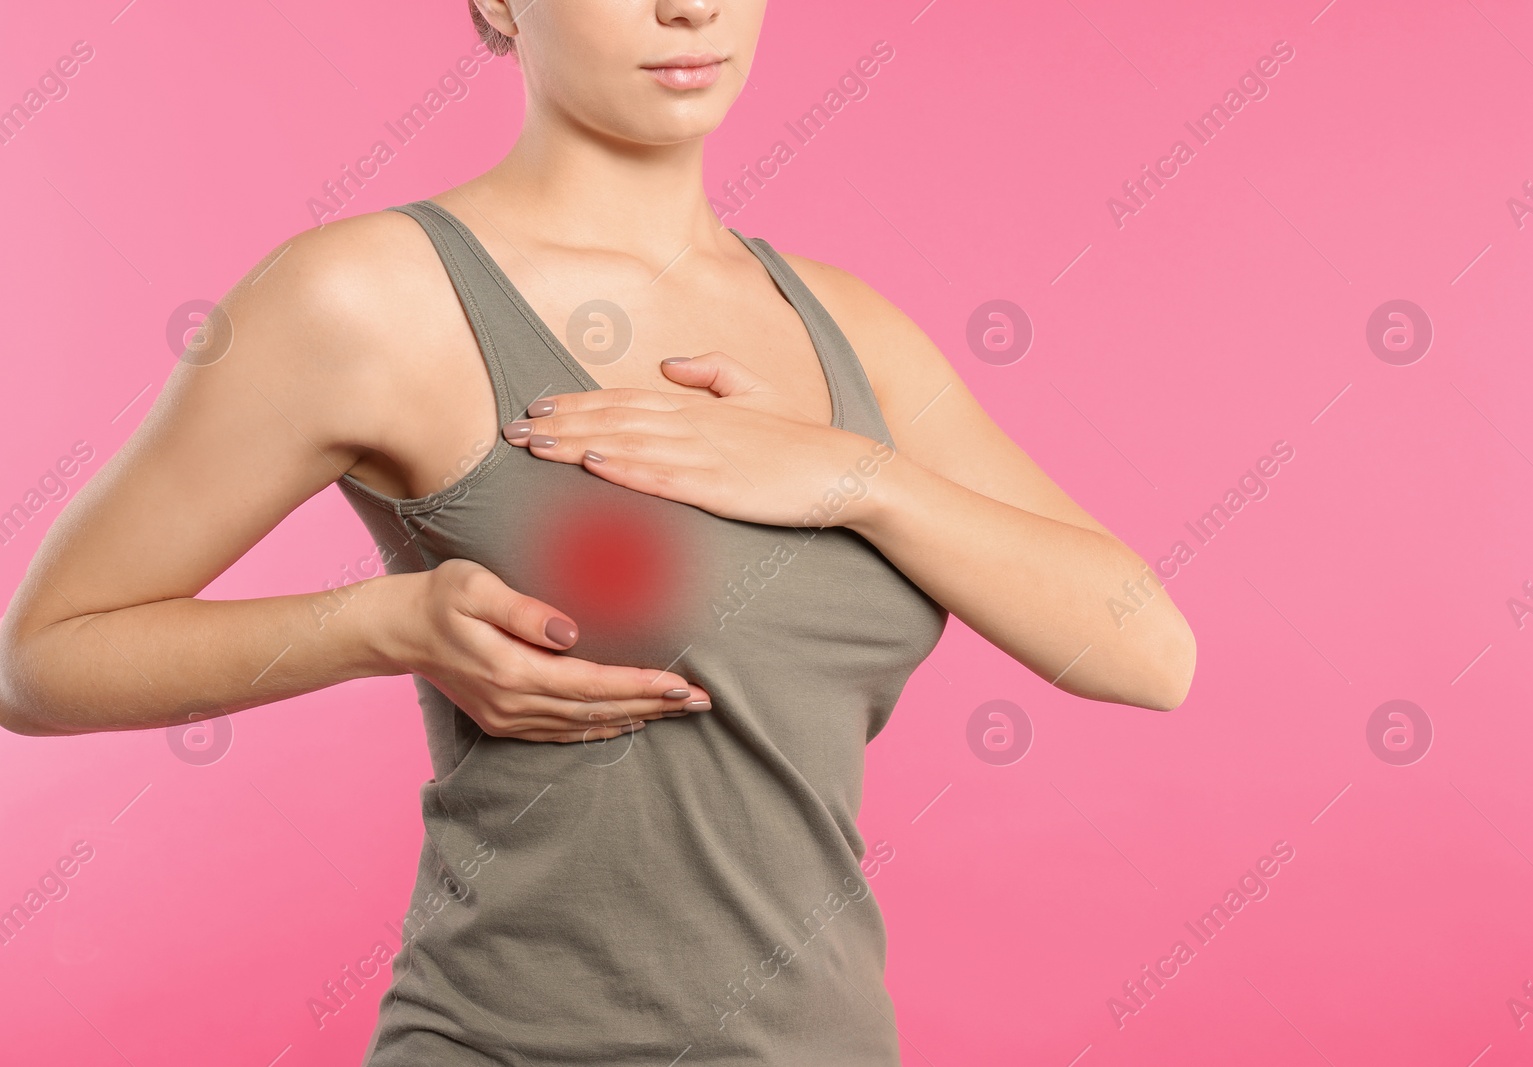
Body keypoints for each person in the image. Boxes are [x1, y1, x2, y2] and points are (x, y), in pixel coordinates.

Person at [0, 0, 1196, 1062]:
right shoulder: (366, 296)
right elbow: (39, 658)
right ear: (498, 3)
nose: (690, 11)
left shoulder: (850, 325)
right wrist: (383, 621)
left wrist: (857, 476)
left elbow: (1151, 654)